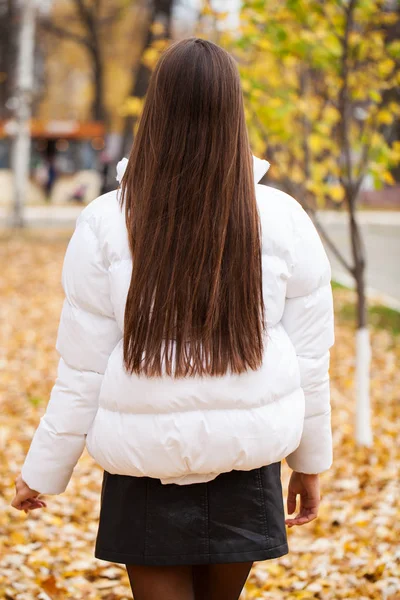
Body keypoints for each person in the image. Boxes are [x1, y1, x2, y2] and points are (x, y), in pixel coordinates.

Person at [11, 37, 334, 600]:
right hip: (246, 458)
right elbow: (309, 357)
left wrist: (43, 472)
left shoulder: (106, 222)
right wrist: (310, 463)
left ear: (155, 113)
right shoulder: (283, 218)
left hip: (143, 467)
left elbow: (82, 369)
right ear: (235, 114)